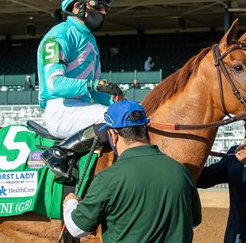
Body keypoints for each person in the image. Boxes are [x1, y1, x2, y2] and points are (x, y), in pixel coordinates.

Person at [63, 100, 202, 242]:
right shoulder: (182, 172)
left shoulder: (108, 179)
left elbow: (77, 228)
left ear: (113, 134)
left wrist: (70, 203)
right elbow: (194, 221)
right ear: (145, 130)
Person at [37, 0, 124, 181]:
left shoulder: (90, 40)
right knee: (114, 118)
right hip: (61, 110)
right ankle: (59, 154)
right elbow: (54, 84)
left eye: (106, 6)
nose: (103, 11)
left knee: (128, 113)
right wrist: (94, 84)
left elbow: (97, 91)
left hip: (79, 109)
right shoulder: (58, 36)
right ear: (77, 6)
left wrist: (121, 102)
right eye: (98, 4)